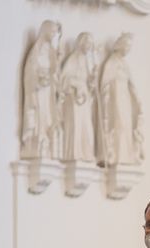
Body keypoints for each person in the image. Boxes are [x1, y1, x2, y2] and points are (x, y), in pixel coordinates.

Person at [97, 33, 144, 167]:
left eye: (130, 47)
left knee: (126, 125)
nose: (128, 49)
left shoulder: (124, 64)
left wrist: (137, 101)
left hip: (125, 100)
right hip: (114, 99)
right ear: (120, 45)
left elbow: (131, 85)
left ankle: (126, 156)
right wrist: (106, 97)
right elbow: (104, 83)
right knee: (117, 125)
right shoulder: (111, 62)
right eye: (127, 46)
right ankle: (115, 155)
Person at [20, 20, 62, 160]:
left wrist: (57, 63)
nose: (53, 34)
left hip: (48, 91)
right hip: (38, 92)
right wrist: (39, 79)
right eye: (52, 31)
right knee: (40, 116)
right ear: (45, 31)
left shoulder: (51, 52)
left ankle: (47, 144)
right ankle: (38, 141)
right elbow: (30, 73)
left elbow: (55, 73)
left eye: (55, 32)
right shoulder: (36, 51)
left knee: (49, 117)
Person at [60, 32, 97, 164]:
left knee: (86, 126)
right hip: (74, 99)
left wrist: (92, 81)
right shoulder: (73, 59)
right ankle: (74, 154)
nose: (89, 46)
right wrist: (77, 86)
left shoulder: (87, 61)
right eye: (88, 43)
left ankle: (86, 154)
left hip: (84, 101)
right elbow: (64, 80)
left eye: (91, 44)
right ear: (81, 43)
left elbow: (89, 85)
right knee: (75, 125)